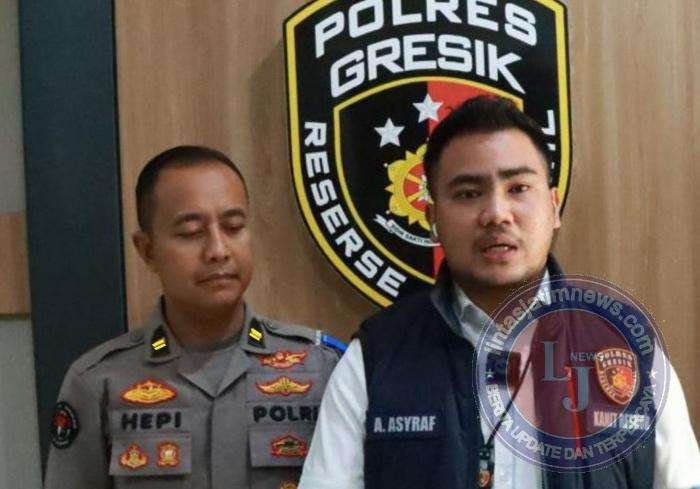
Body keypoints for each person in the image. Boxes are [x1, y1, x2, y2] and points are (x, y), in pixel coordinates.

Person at [298, 96, 700, 489]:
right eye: (468, 193)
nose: (496, 214)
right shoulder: (375, 358)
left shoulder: (630, 349)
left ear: (553, 206)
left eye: (518, 188)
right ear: (433, 218)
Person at [44, 145, 343, 489]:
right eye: (191, 233)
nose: (218, 250)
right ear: (147, 250)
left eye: (233, 227)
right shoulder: (99, 382)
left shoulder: (321, 368)